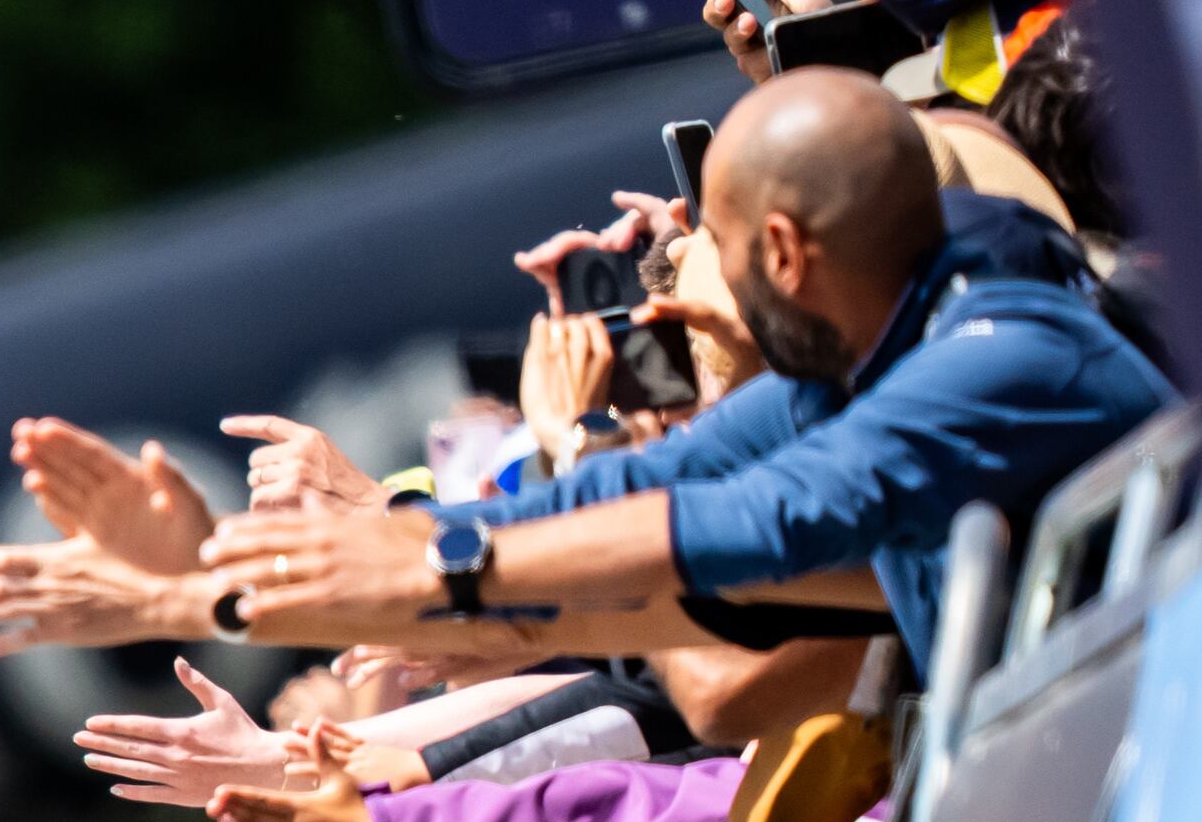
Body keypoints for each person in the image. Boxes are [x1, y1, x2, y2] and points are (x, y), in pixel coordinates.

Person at [209, 74, 1169, 670]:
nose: (676, 253)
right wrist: (401, 535)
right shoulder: (870, 345)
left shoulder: (996, 355)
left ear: (785, 254)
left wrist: (474, 529)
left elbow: (751, 523)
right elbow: (660, 482)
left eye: (714, 235)